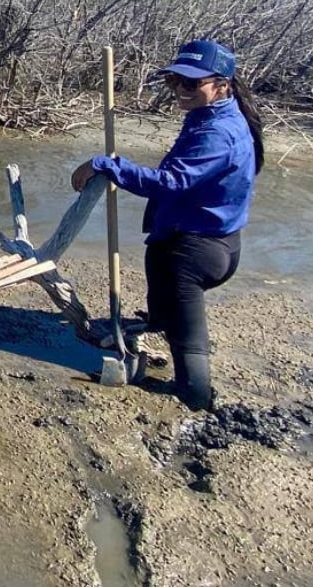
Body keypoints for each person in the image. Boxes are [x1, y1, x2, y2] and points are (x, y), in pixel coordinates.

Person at [71, 39, 262, 411]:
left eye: (191, 84)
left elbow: (169, 182)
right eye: (175, 81)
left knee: (188, 340)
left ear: (222, 84)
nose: (180, 90)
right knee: (159, 275)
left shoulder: (216, 133)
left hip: (196, 251)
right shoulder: (219, 116)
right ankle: (156, 320)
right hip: (213, 238)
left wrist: (106, 164)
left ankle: (195, 401)